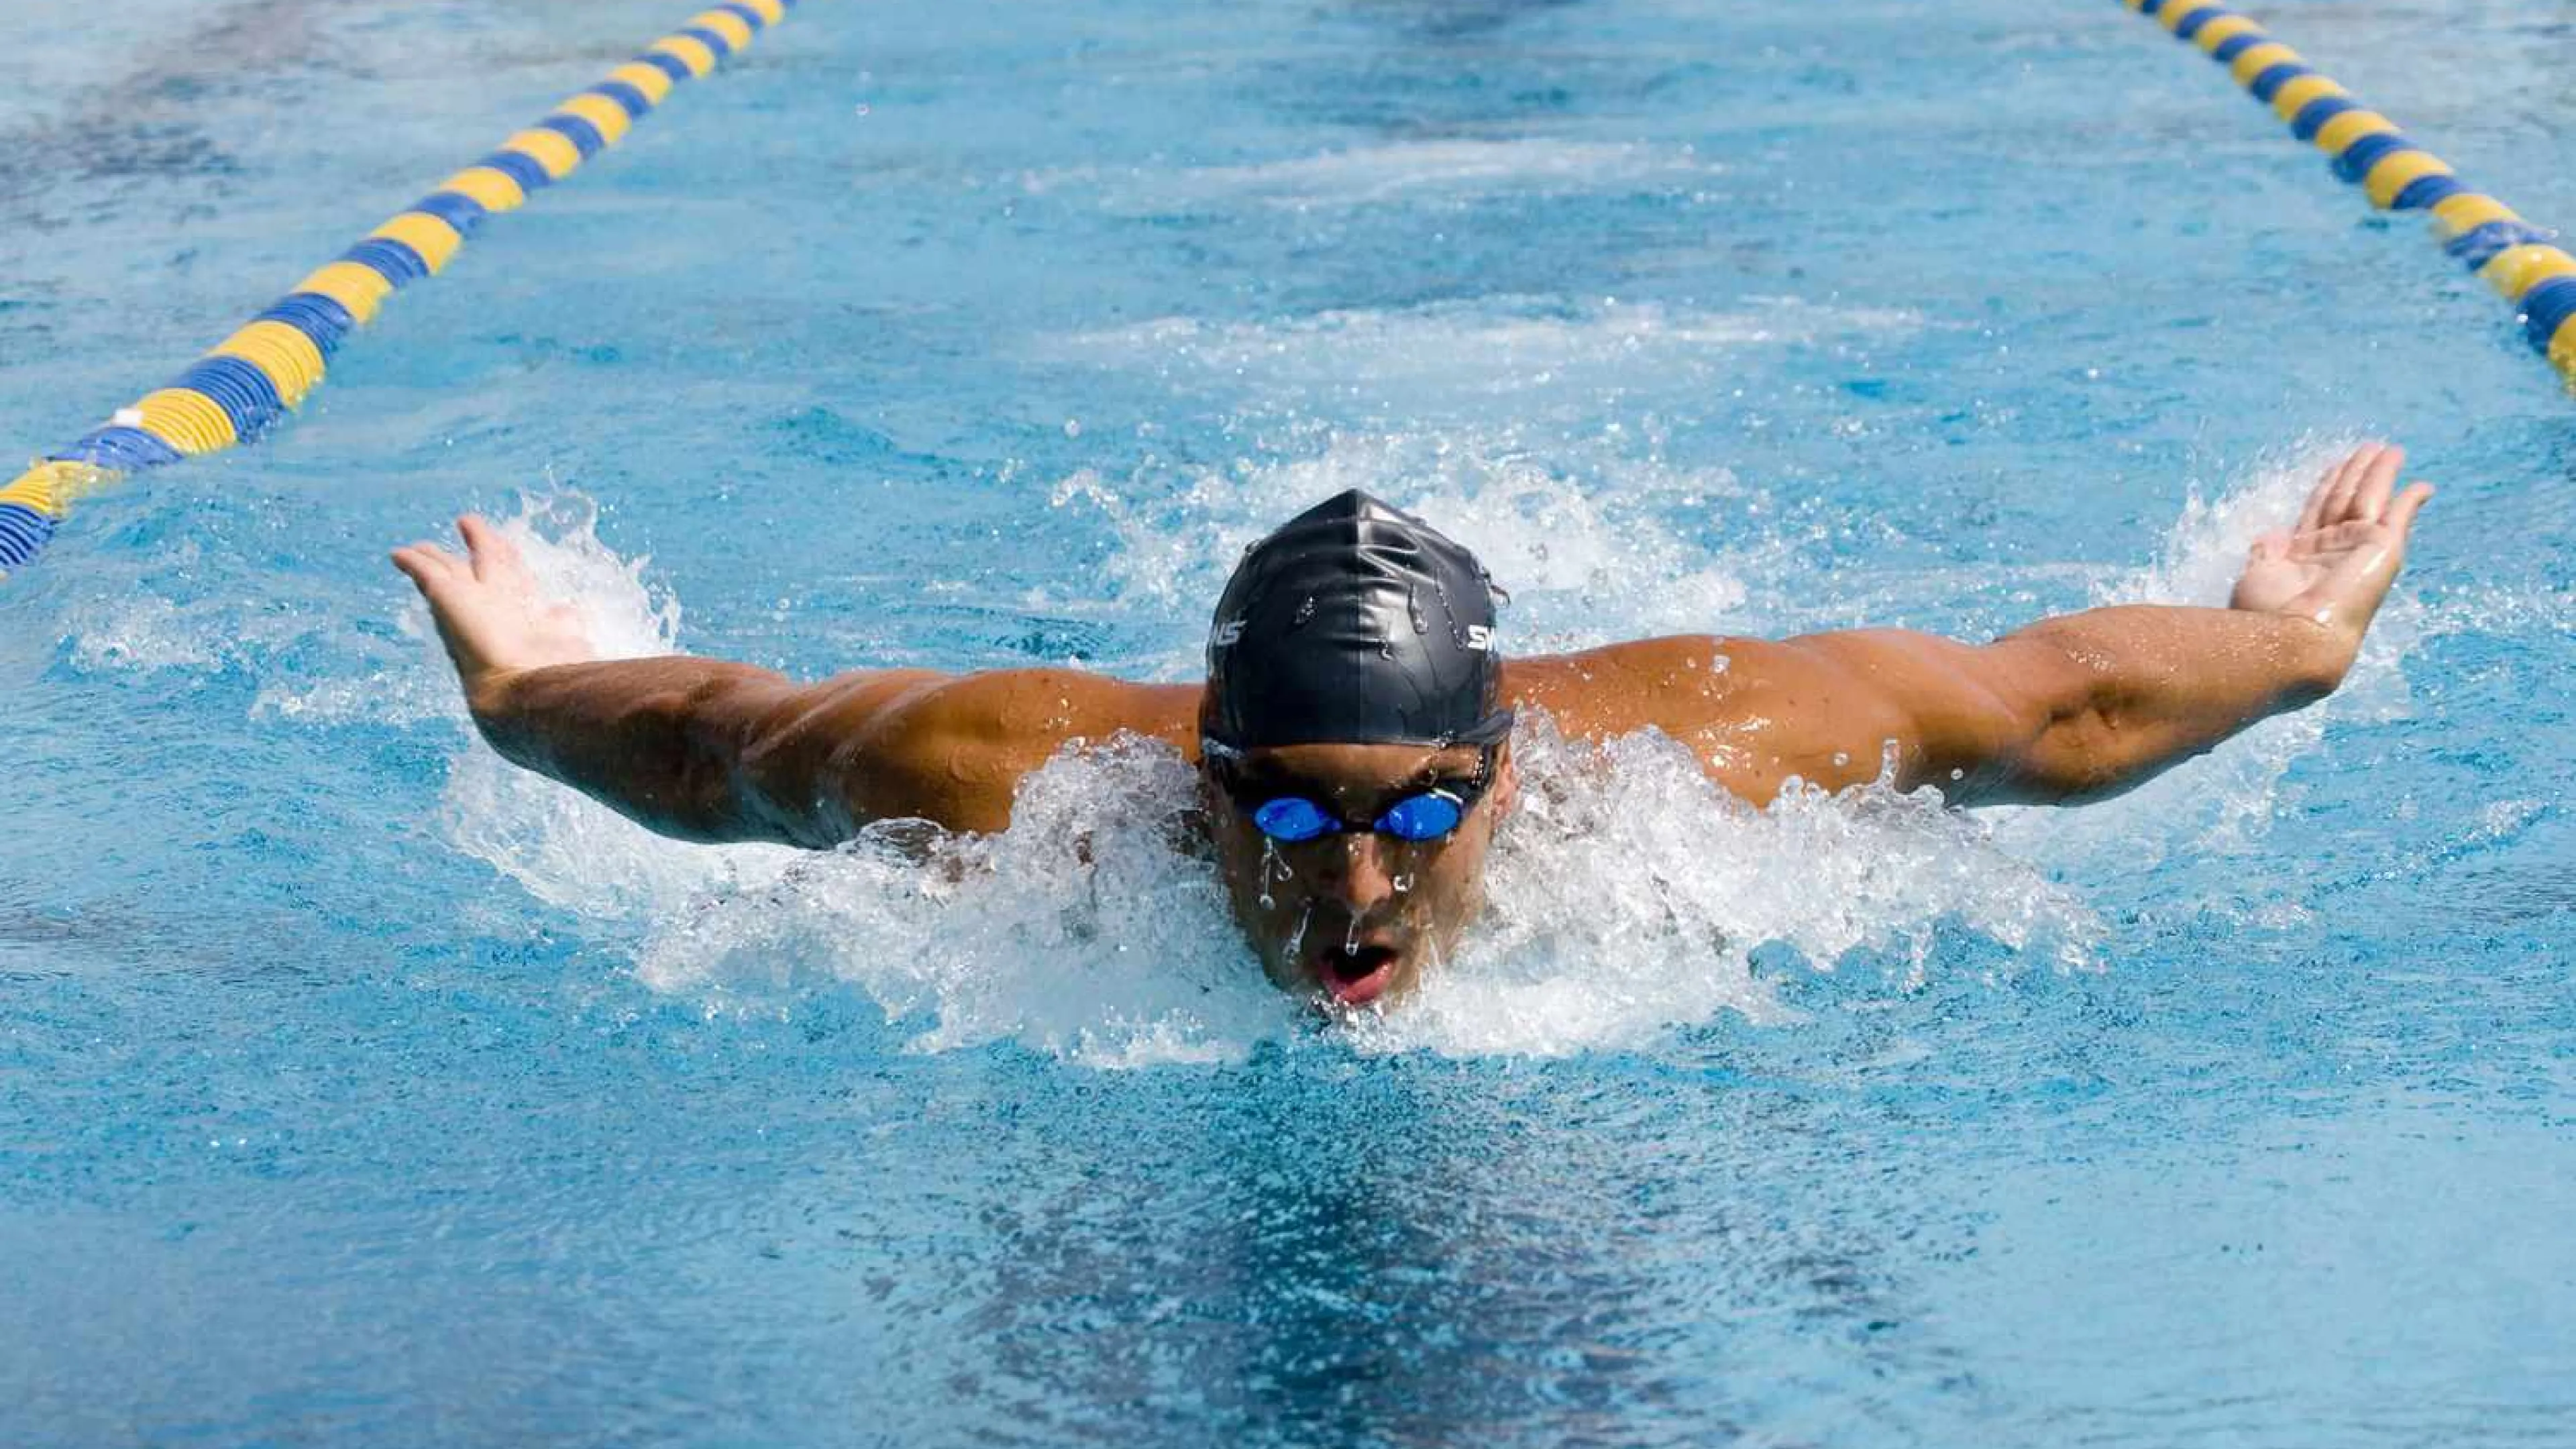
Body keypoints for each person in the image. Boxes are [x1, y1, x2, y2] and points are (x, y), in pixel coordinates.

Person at [394, 442, 2432, 1009]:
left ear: (1510, 766)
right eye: (1279, 822)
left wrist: (2284, 643)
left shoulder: (1703, 758)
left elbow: (2053, 702)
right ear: (1191, 767)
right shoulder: (1026, 778)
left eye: (1414, 819)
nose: (1350, 905)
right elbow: (718, 744)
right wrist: (525, 686)